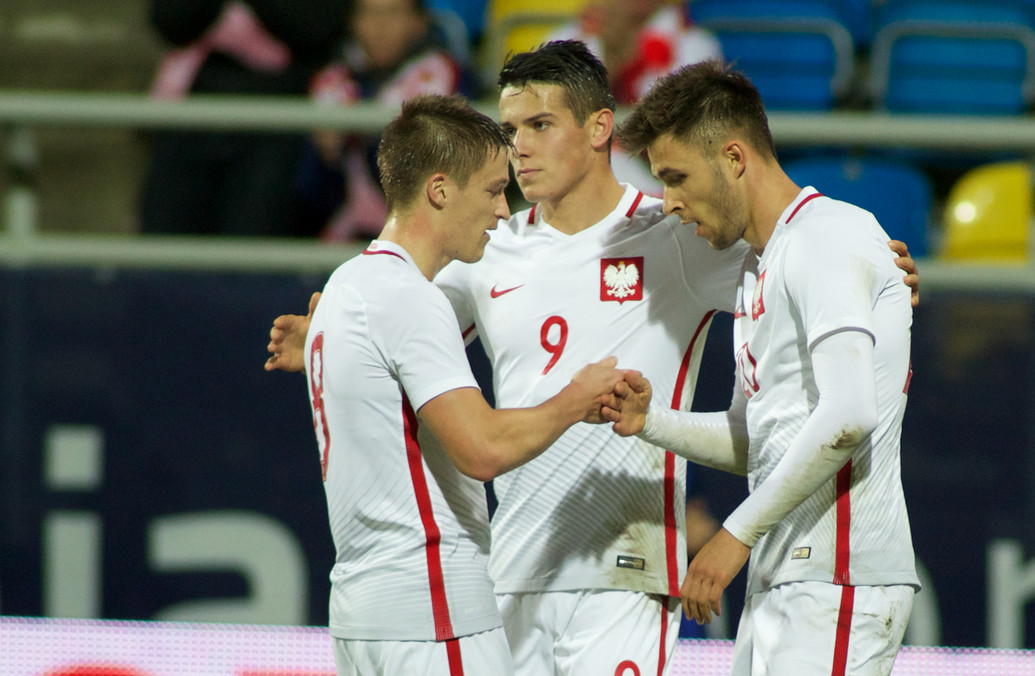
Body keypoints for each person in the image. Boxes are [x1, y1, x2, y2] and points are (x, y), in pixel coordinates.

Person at [266, 41, 921, 676]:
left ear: (600, 126)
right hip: (511, 578)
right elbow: (396, 319)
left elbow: (790, 246)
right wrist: (329, 333)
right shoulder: (485, 252)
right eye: (510, 126)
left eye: (540, 123)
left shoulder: (675, 233)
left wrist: (884, 272)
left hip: (626, 576)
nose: (518, 144)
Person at [603, 60, 920, 676]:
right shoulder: (759, 269)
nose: (668, 203)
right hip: (790, 576)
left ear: (733, 157)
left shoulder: (829, 236)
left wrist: (733, 537)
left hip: (838, 575)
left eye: (676, 177)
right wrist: (651, 422)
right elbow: (761, 443)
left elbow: (850, 415)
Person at [305, 93, 626, 675]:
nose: (504, 211)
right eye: (491, 189)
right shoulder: (411, 296)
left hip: (362, 613)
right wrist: (574, 400)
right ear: (440, 189)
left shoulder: (345, 285)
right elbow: (482, 449)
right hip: (430, 609)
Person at [141, 0, 350, 236]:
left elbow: (314, 26)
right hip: (192, 114)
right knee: (165, 239)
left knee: (253, 241)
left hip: (279, 120)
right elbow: (170, 21)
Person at [295, 0, 464, 241]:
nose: (380, 26)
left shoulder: (451, 79)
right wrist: (325, 155)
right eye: (369, 14)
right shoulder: (329, 83)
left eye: (392, 13)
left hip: (425, 240)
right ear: (352, 21)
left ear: (418, 22)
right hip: (344, 242)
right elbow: (309, 198)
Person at [546, 0, 720, 195]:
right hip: (581, 167)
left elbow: (678, 123)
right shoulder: (566, 38)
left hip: (661, 174)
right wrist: (611, 61)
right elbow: (553, 112)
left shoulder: (695, 43)